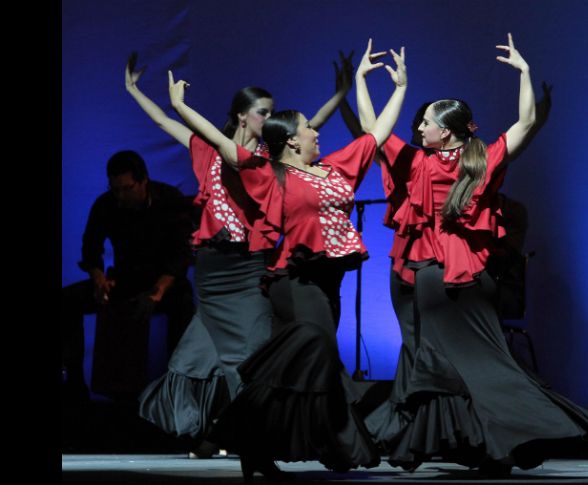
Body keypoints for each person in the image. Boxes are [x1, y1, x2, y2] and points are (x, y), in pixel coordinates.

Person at [357, 33, 588, 475]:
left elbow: (371, 130)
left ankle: (485, 443)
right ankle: (491, 447)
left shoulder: (420, 162)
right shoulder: (483, 158)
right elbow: (526, 122)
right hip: (477, 276)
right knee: (486, 361)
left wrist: (378, 85)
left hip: (436, 276)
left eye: (426, 124)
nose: (419, 129)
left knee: (448, 366)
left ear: (445, 131)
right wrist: (525, 73)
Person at [166, 38, 406, 479]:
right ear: (292, 141)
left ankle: (257, 443)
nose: (317, 131)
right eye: (308, 128)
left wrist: (391, 87)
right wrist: (180, 106)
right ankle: (331, 444)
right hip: (295, 283)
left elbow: (376, 136)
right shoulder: (267, 174)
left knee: (299, 367)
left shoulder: (334, 168)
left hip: (329, 283)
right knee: (316, 357)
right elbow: (221, 143)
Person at [125, 51, 353, 455]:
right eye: (263, 112)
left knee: (248, 354)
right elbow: (163, 121)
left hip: (249, 266)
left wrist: (340, 93)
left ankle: (247, 434)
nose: (270, 118)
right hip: (212, 269)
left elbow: (311, 124)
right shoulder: (208, 149)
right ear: (242, 116)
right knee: (199, 355)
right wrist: (133, 90)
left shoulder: (269, 159)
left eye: (272, 112)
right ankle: (217, 431)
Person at [61, 149, 195, 401]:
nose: (121, 196)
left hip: (163, 282)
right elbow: (91, 249)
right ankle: (74, 387)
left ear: (143, 181)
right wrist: (98, 279)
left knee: (184, 304)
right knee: (67, 300)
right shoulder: (106, 203)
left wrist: (158, 292)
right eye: (115, 189)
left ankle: (177, 392)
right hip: (125, 279)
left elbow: (181, 254)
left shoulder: (169, 199)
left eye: (127, 188)